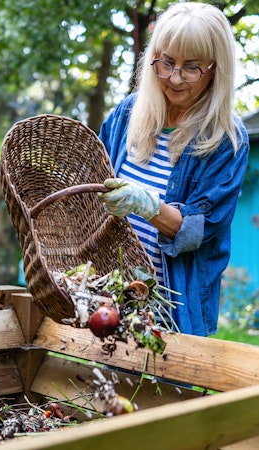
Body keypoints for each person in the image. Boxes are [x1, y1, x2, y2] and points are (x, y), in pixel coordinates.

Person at [97, 2, 249, 337]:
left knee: (166, 389)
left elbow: (201, 230)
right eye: (166, 62)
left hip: (172, 313)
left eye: (191, 68)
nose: (174, 78)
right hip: (110, 299)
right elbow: (93, 182)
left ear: (216, 69)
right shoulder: (128, 114)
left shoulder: (226, 141)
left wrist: (146, 205)